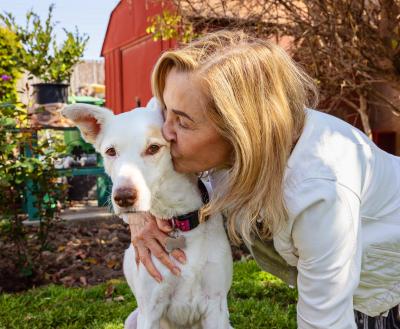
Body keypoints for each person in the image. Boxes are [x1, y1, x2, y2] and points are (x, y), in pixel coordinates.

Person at [127, 30, 400, 328]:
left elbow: (324, 321)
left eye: (182, 122)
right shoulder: (188, 102)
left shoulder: (319, 190)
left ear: (239, 132)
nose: (164, 132)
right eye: (166, 110)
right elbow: (128, 143)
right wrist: (141, 215)